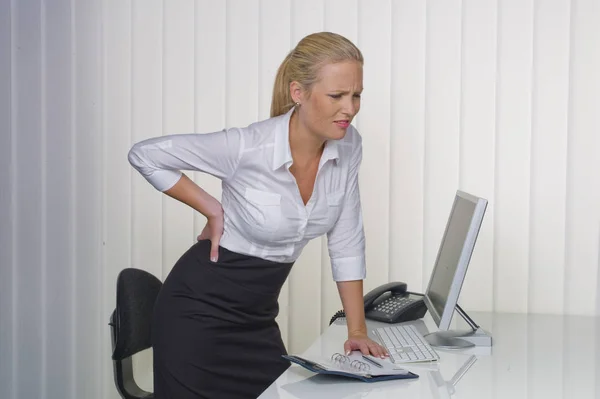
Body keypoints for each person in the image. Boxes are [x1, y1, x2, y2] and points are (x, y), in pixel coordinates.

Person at [128, 31, 388, 399]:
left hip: (256, 320)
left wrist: (357, 331)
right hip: (196, 316)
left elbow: (346, 240)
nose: (350, 108)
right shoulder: (248, 146)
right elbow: (145, 154)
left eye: (356, 95)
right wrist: (210, 206)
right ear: (298, 93)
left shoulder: (348, 146)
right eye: (336, 96)